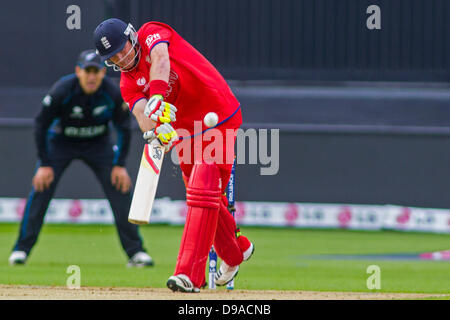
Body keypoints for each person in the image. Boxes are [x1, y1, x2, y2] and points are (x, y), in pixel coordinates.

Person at [93, 18, 254, 292]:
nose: (121, 58)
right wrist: (159, 130)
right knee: (202, 194)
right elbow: (143, 117)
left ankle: (188, 275)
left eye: (122, 49)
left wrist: (157, 95)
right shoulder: (127, 84)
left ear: (132, 36)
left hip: (218, 113)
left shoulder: (152, 32)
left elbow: (160, 59)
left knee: (204, 181)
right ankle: (237, 250)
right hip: (187, 132)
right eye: (113, 57)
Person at [9, 50, 153, 268]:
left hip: (99, 144)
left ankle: (136, 253)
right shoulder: (63, 89)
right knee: (41, 189)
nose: (92, 77)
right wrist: (45, 163)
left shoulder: (111, 93)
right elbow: (41, 124)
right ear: (78, 71)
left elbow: (124, 126)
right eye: (88, 71)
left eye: (97, 71)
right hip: (61, 143)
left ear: (104, 73)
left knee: (120, 189)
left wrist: (119, 165)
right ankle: (21, 249)